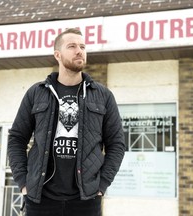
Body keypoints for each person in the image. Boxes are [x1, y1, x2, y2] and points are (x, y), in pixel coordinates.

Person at [7, 28, 125, 216]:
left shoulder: (103, 96)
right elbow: (16, 138)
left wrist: (101, 186)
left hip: (86, 201)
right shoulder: (37, 93)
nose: (79, 50)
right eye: (72, 46)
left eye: (83, 46)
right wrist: (23, 182)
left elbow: (117, 144)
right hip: (41, 200)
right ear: (58, 55)